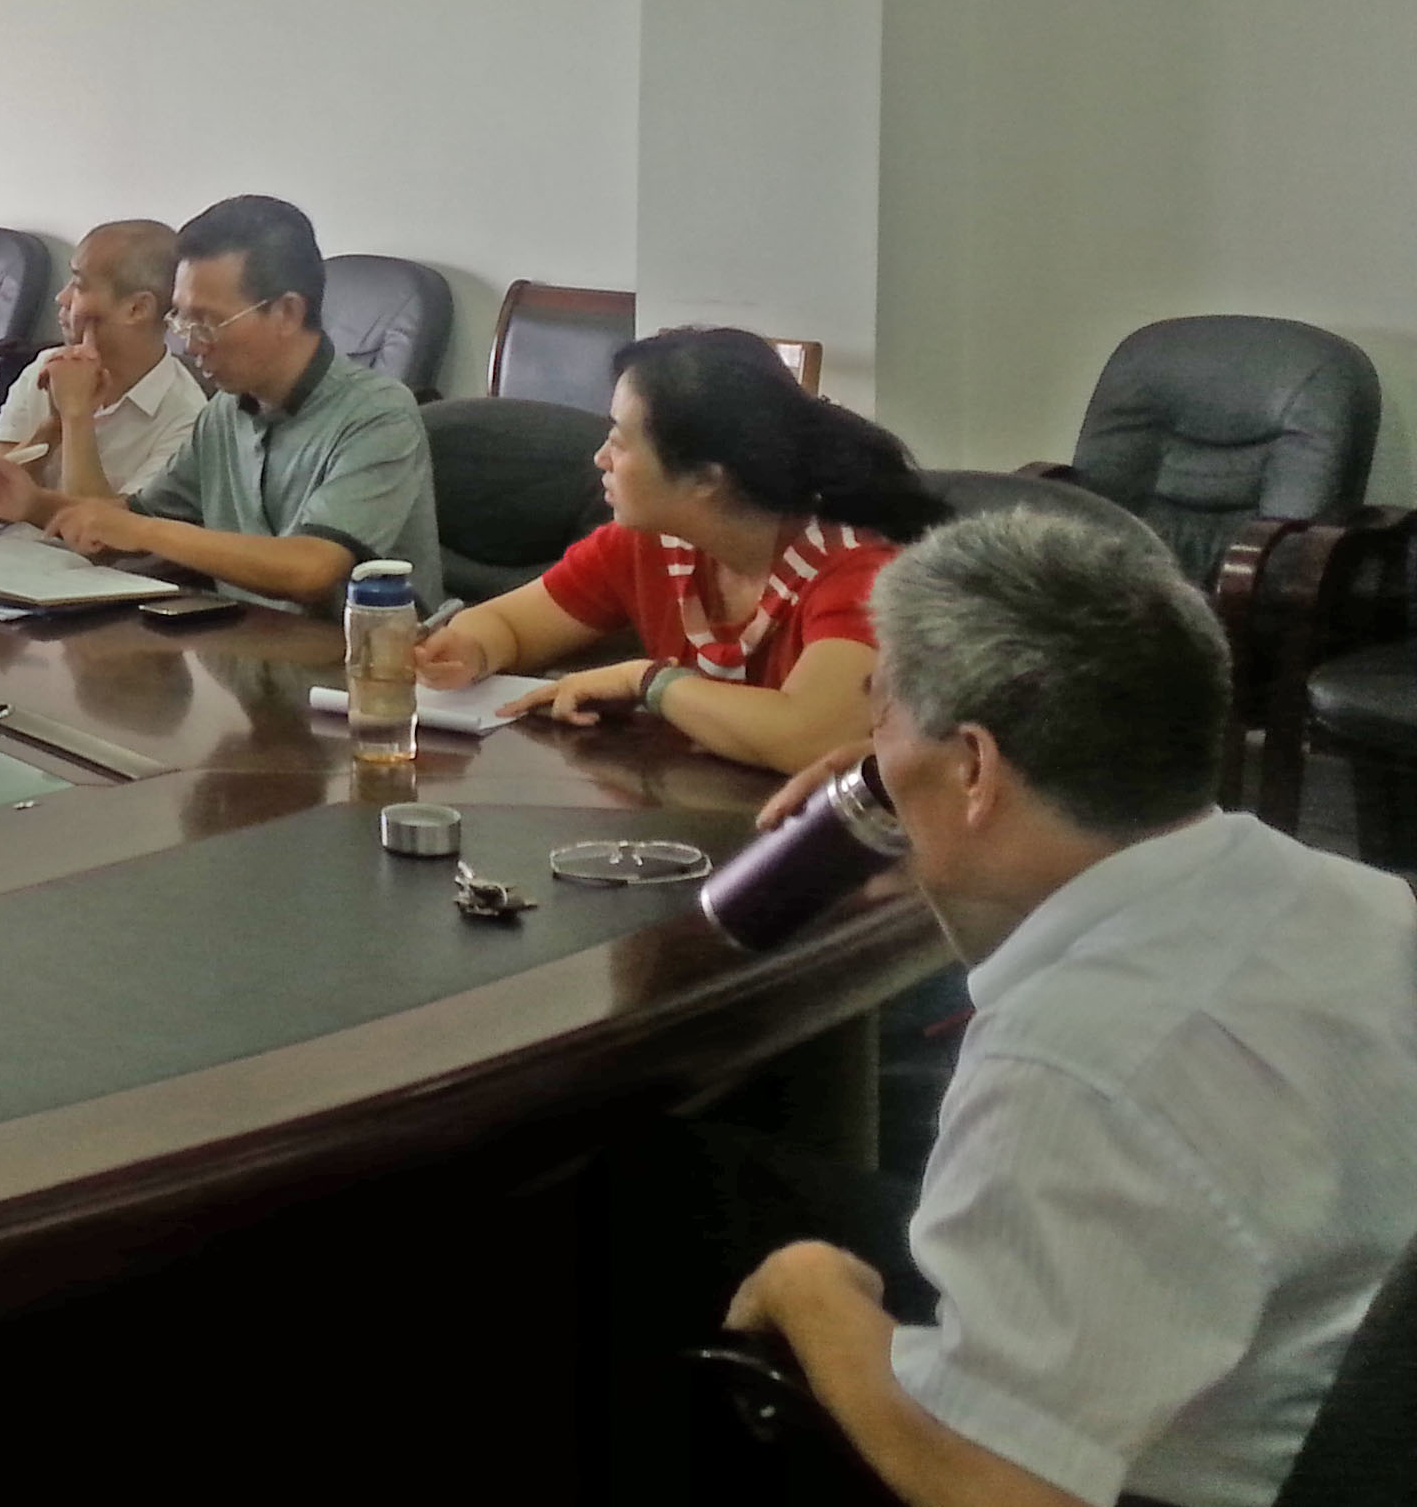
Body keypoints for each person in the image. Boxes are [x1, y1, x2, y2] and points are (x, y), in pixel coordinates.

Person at [603, 510, 1417, 1507]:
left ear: (977, 767)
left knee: (644, 1215)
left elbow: (1002, 1490)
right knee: (705, 1174)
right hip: (1307, 1362)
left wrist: (812, 1292)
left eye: (884, 714)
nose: (873, 755)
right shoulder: (1355, 896)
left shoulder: (1070, 1061)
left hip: (1134, 1472)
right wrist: (942, 827)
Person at [413, 326, 945, 775]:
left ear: (706, 479)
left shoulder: (858, 572)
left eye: (620, 441)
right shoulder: (649, 545)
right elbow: (511, 626)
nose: (600, 458)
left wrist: (648, 681)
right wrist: (468, 649)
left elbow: (808, 736)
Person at [0, 194, 440, 611]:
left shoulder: (378, 415)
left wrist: (142, 532)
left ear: (286, 312)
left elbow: (311, 568)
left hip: (362, 665)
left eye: (207, 323)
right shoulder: (225, 414)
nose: (190, 344)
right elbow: (126, 519)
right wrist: (32, 503)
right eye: (182, 322)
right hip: (248, 653)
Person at [0, 219, 205, 498]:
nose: (61, 297)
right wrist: (52, 426)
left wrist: (75, 415)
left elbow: (100, 525)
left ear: (137, 308)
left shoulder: (187, 419)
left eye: (78, 285)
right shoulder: (50, 366)